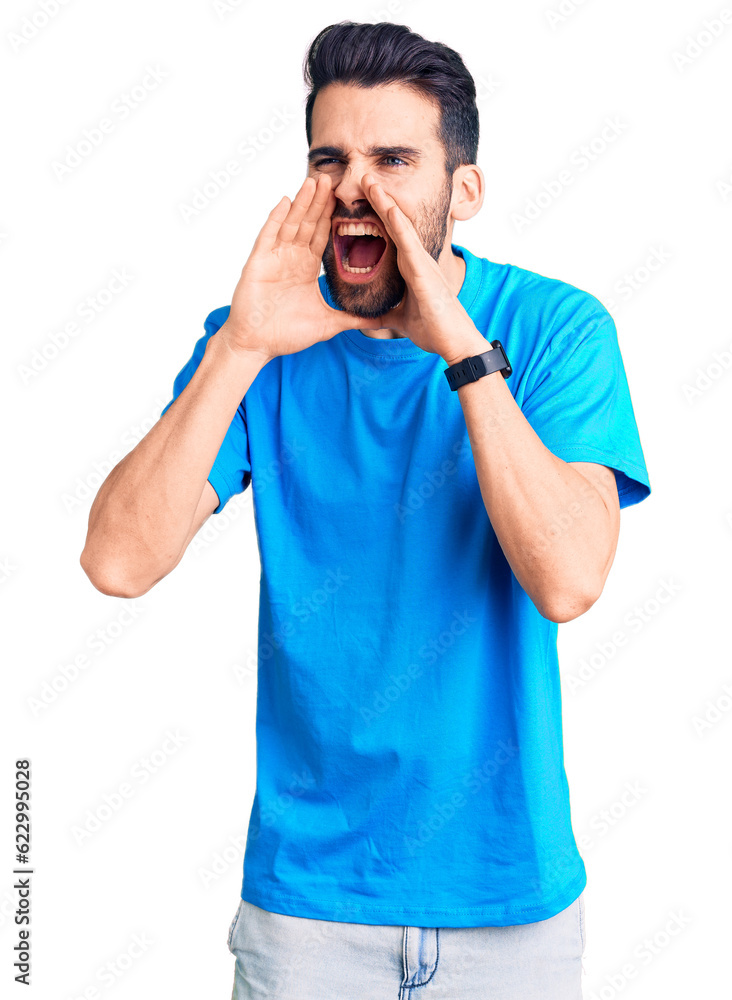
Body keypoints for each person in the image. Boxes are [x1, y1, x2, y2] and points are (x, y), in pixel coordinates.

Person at [80, 19, 651, 1000]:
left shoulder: (558, 329)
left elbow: (568, 577)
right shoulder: (258, 343)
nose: (356, 189)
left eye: (393, 158)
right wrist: (242, 344)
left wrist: (462, 351)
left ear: (463, 189)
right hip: (306, 915)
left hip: (509, 907)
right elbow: (118, 561)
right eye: (329, 159)